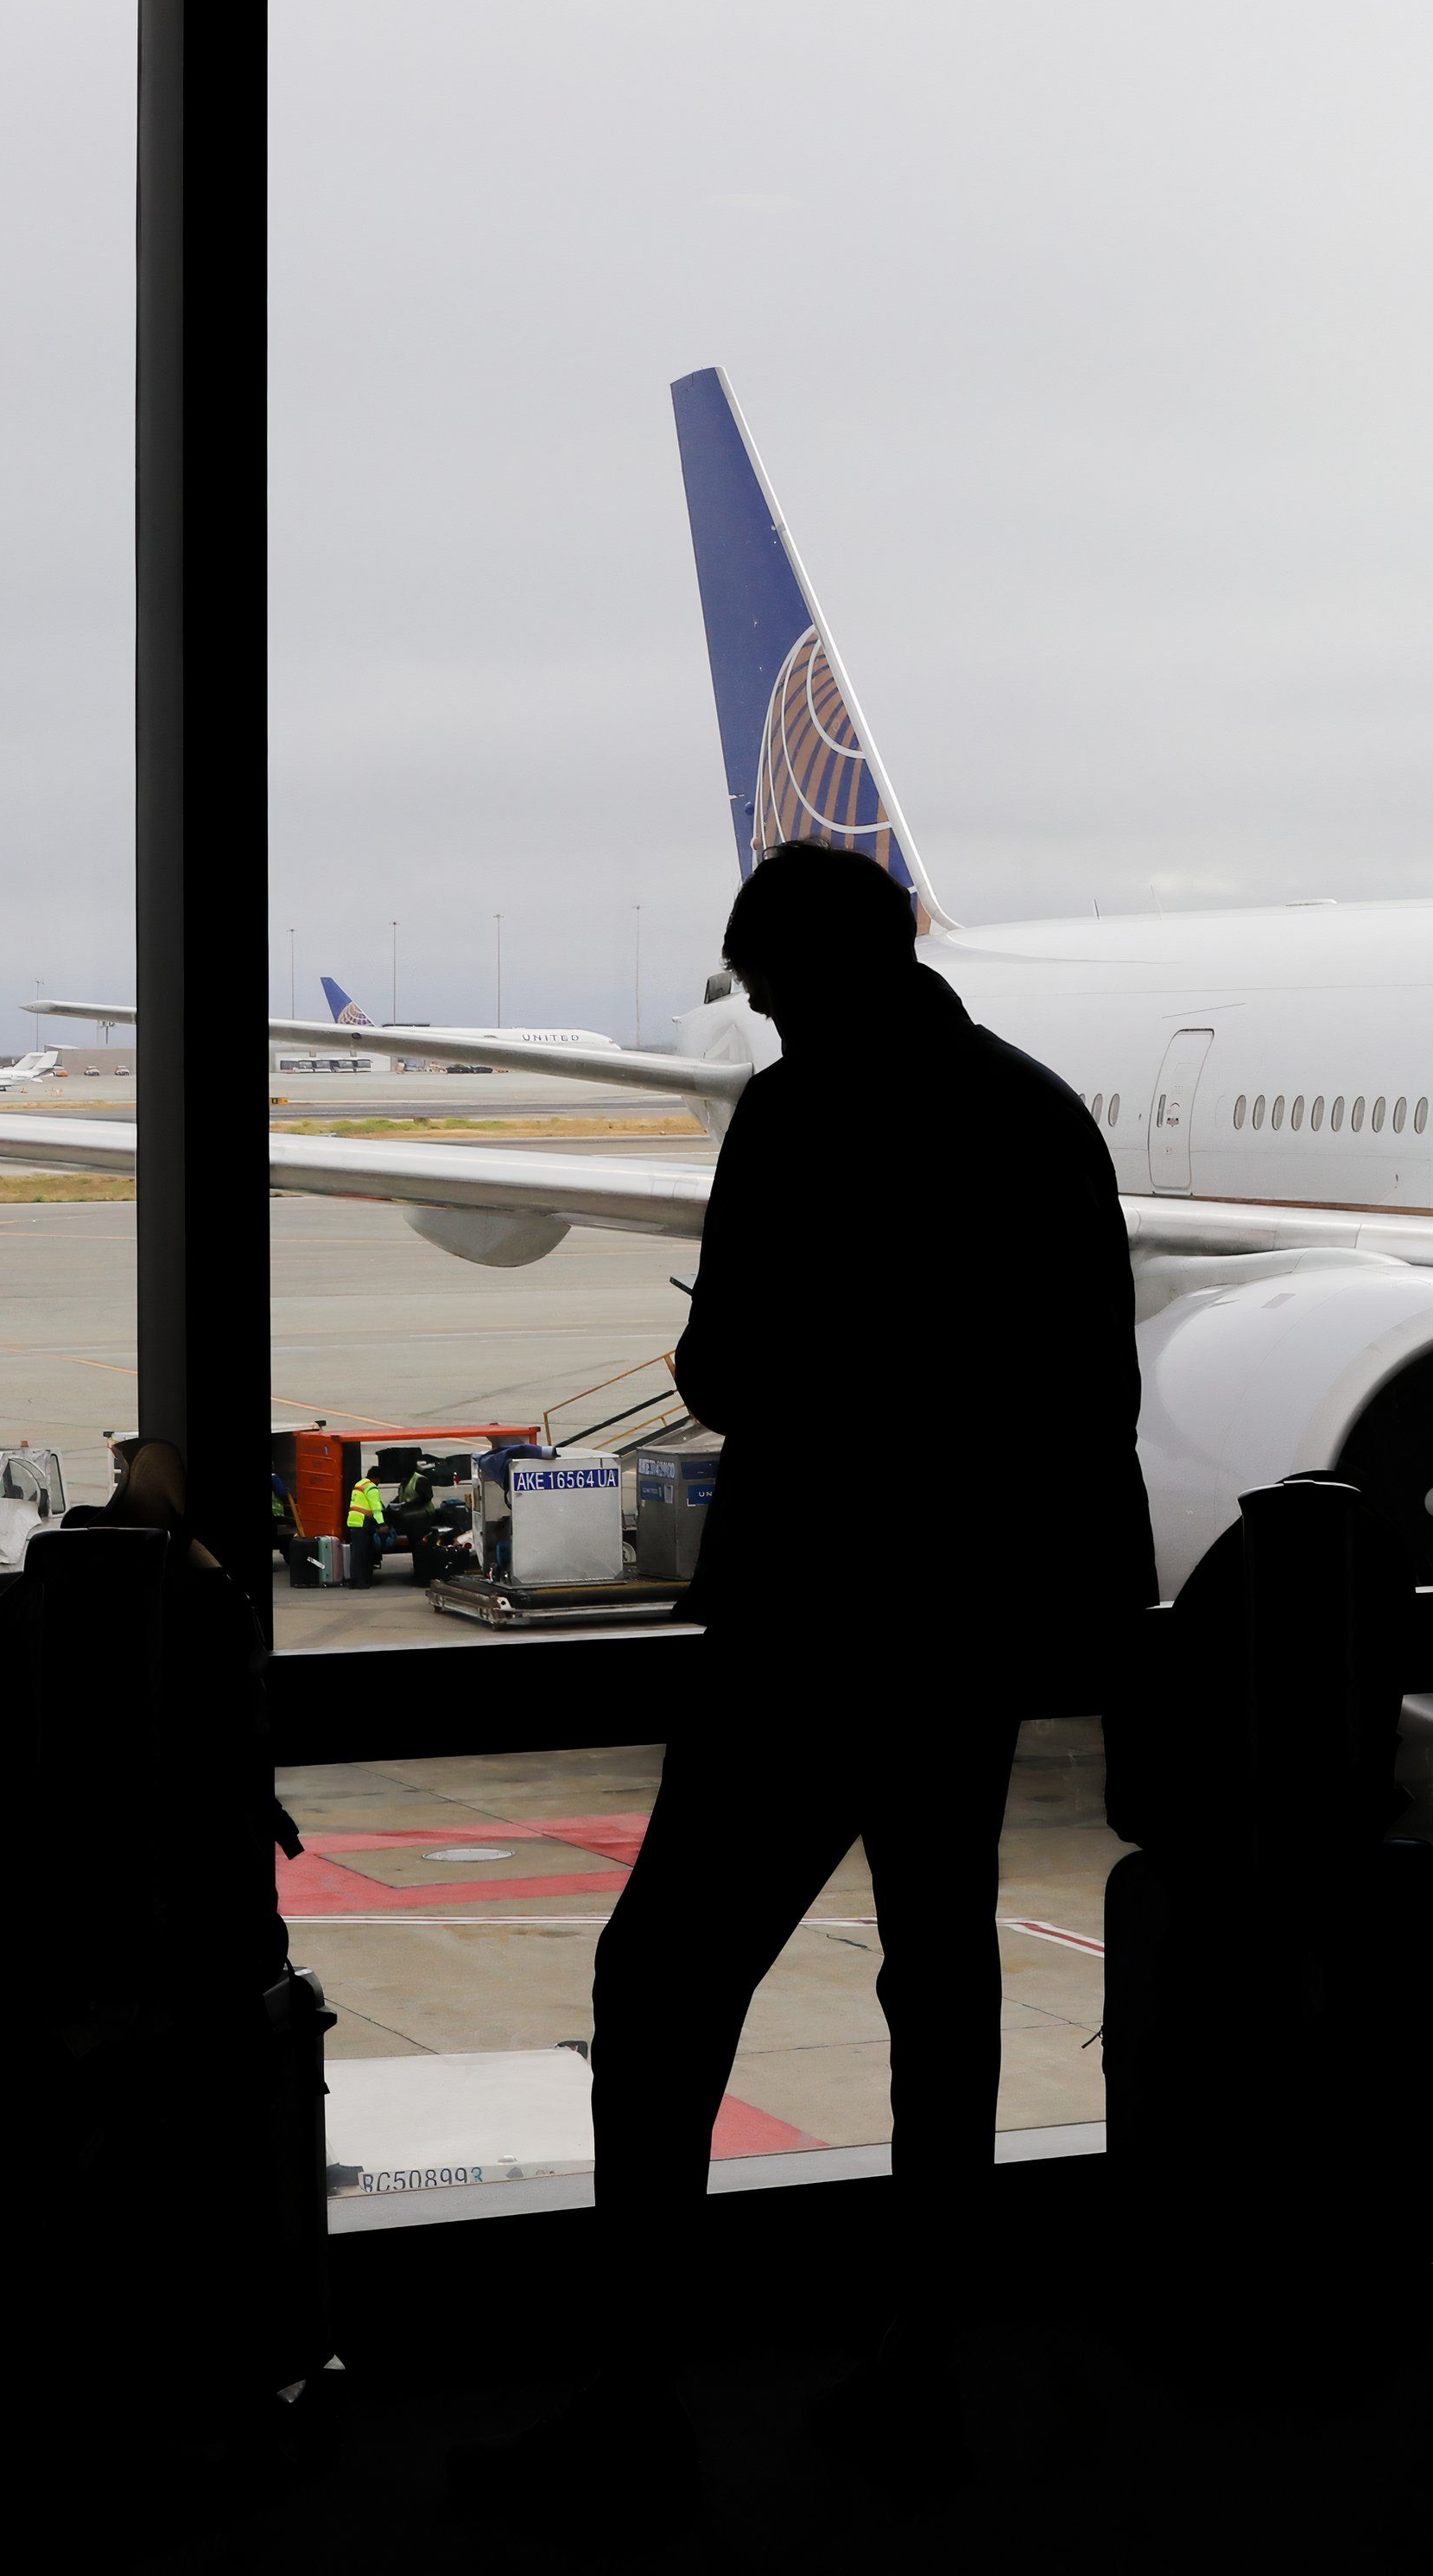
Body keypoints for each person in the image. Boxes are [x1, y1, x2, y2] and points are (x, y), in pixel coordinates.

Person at [472, 840, 1152, 2530]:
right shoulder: (1037, 1110)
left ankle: (641, 2391)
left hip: (806, 1623)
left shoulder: (802, 1115)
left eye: (770, 996)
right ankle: (928, 2356)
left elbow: (721, 1370)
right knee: (942, 1976)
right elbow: (1098, 1393)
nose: (765, 1027)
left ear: (810, 976)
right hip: (969, 1627)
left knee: (664, 1981)